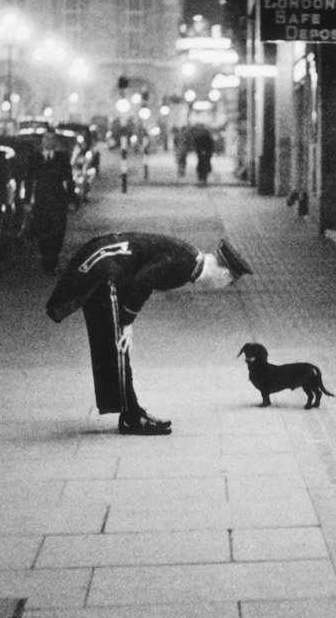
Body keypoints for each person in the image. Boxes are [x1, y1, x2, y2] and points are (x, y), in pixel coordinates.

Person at [46, 233, 253, 435]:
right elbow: (143, 281)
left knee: (111, 343)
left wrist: (126, 318)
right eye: (231, 282)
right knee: (117, 343)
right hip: (103, 269)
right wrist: (127, 323)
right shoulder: (184, 263)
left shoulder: (190, 259)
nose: (227, 286)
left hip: (103, 263)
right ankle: (132, 417)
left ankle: (130, 412)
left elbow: (141, 277)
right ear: (225, 275)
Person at [26, 130, 73, 274]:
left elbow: (69, 179)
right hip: (41, 201)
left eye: (51, 139)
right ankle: (46, 261)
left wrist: (71, 199)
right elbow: (29, 180)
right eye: (46, 139)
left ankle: (53, 261)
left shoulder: (62, 157)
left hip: (58, 200)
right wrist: (27, 200)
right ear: (42, 142)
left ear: (55, 142)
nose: (48, 141)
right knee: (43, 232)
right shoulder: (35, 158)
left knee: (58, 233)